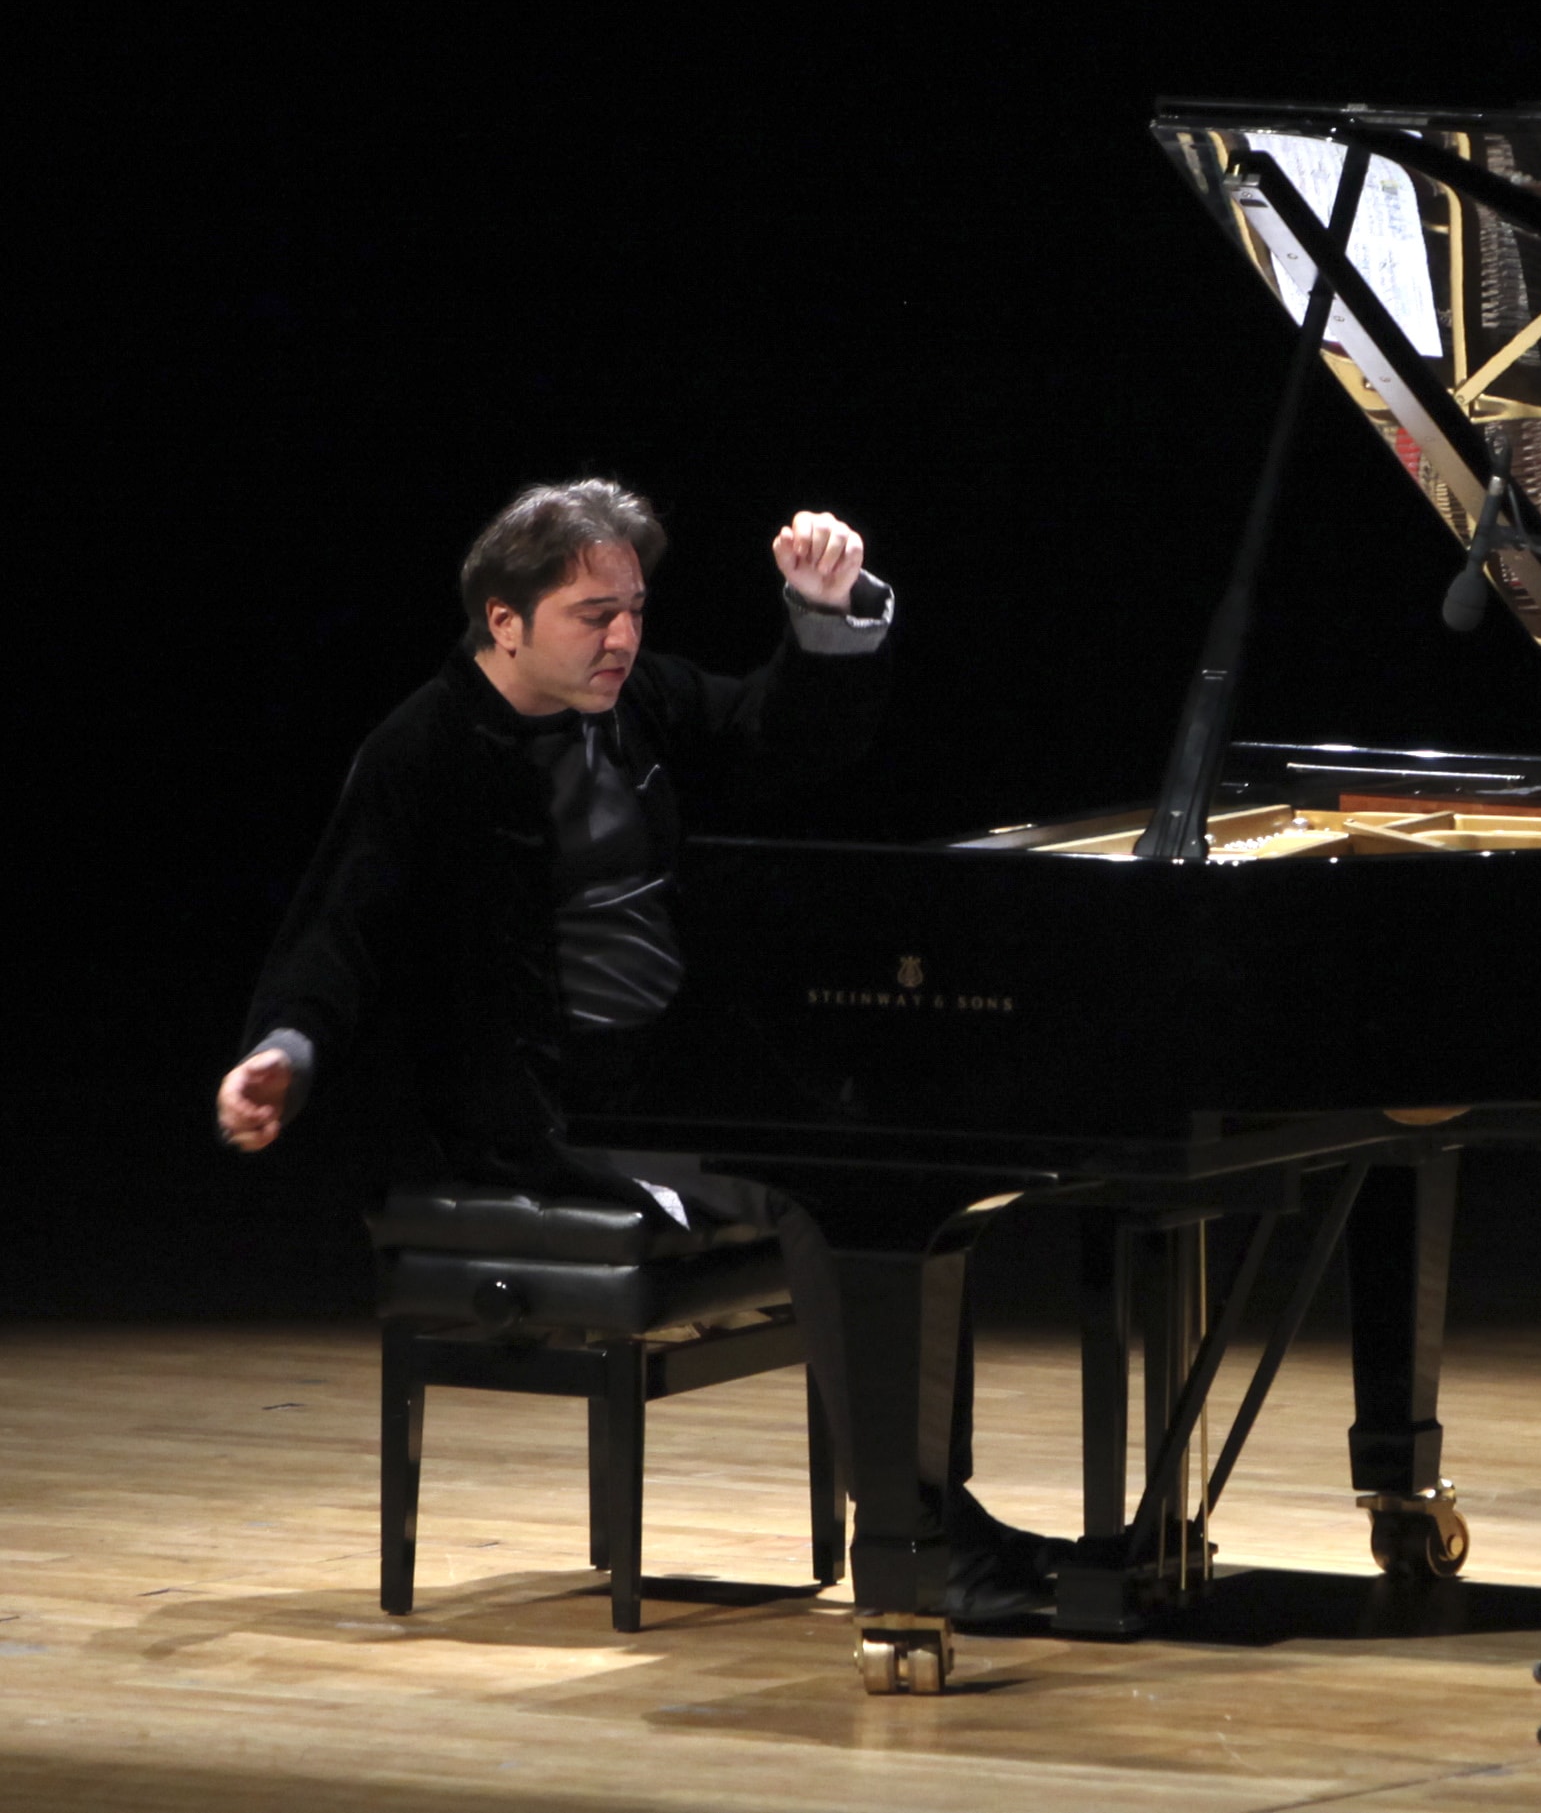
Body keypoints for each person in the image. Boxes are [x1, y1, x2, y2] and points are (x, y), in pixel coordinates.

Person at [216, 478, 1056, 1616]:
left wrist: (823, 612)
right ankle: (908, 1538)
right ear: (503, 621)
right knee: (821, 1190)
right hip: (548, 1112)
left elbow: (784, 735)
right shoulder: (424, 748)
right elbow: (340, 930)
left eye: (633, 609)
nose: (622, 637)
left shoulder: (635, 701)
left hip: (675, 1076)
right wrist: (285, 1054)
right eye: (591, 614)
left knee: (913, 1159)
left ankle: (931, 1506)